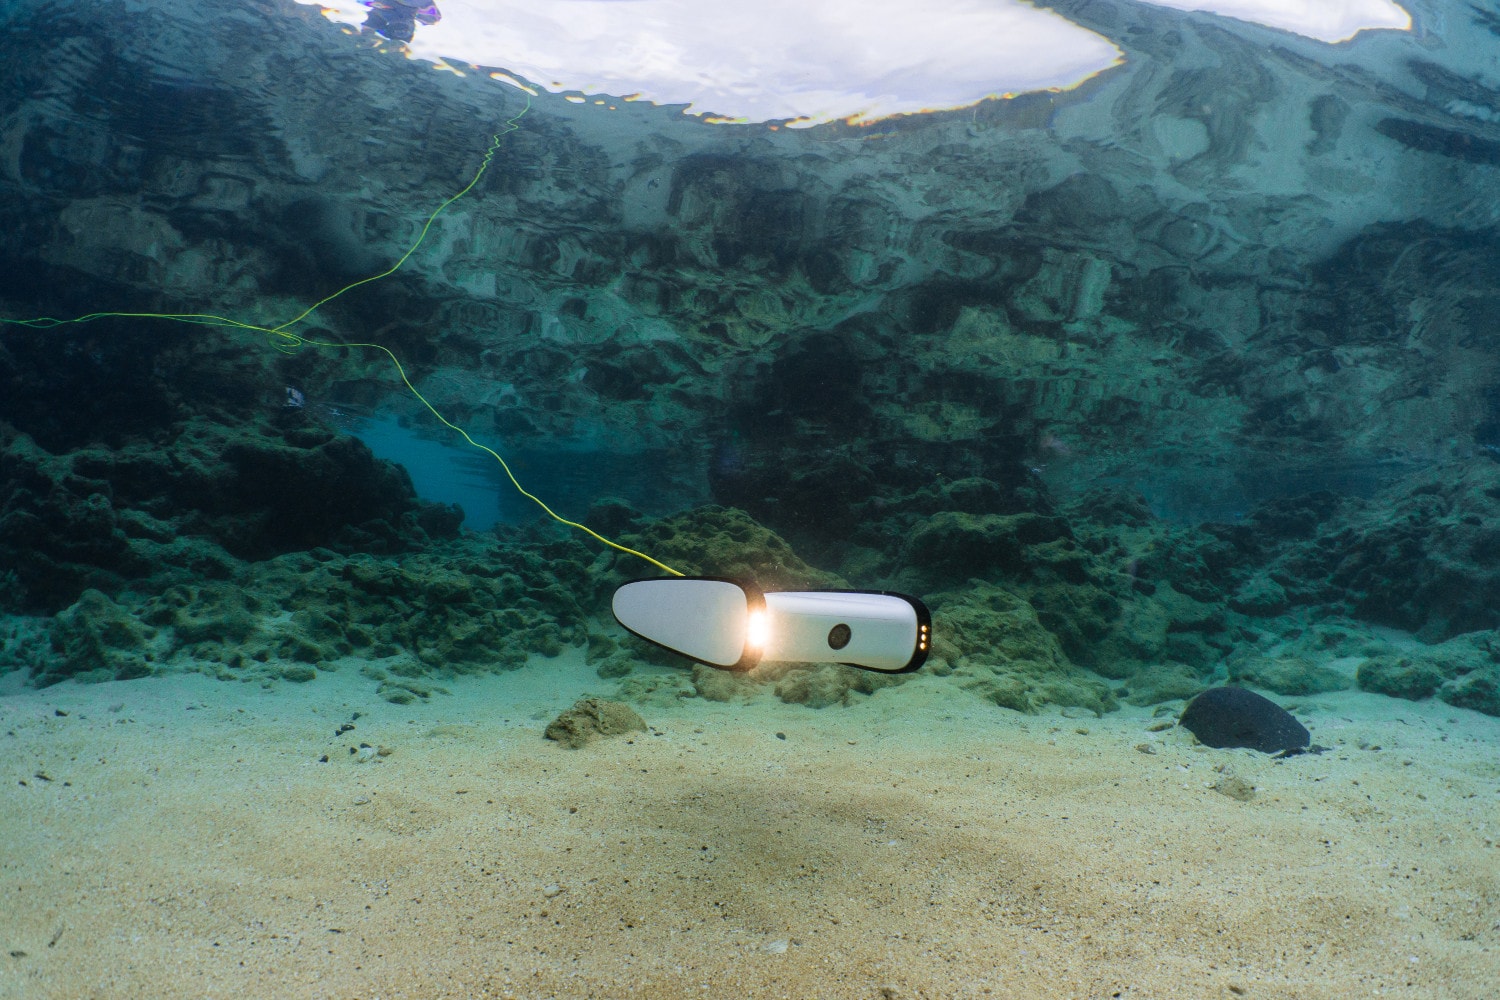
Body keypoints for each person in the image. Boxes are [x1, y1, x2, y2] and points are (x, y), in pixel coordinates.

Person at [360, 0, 441, 43]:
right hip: (383, 13)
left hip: (401, 22)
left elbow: (433, 18)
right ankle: (366, 38)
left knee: (400, 33)